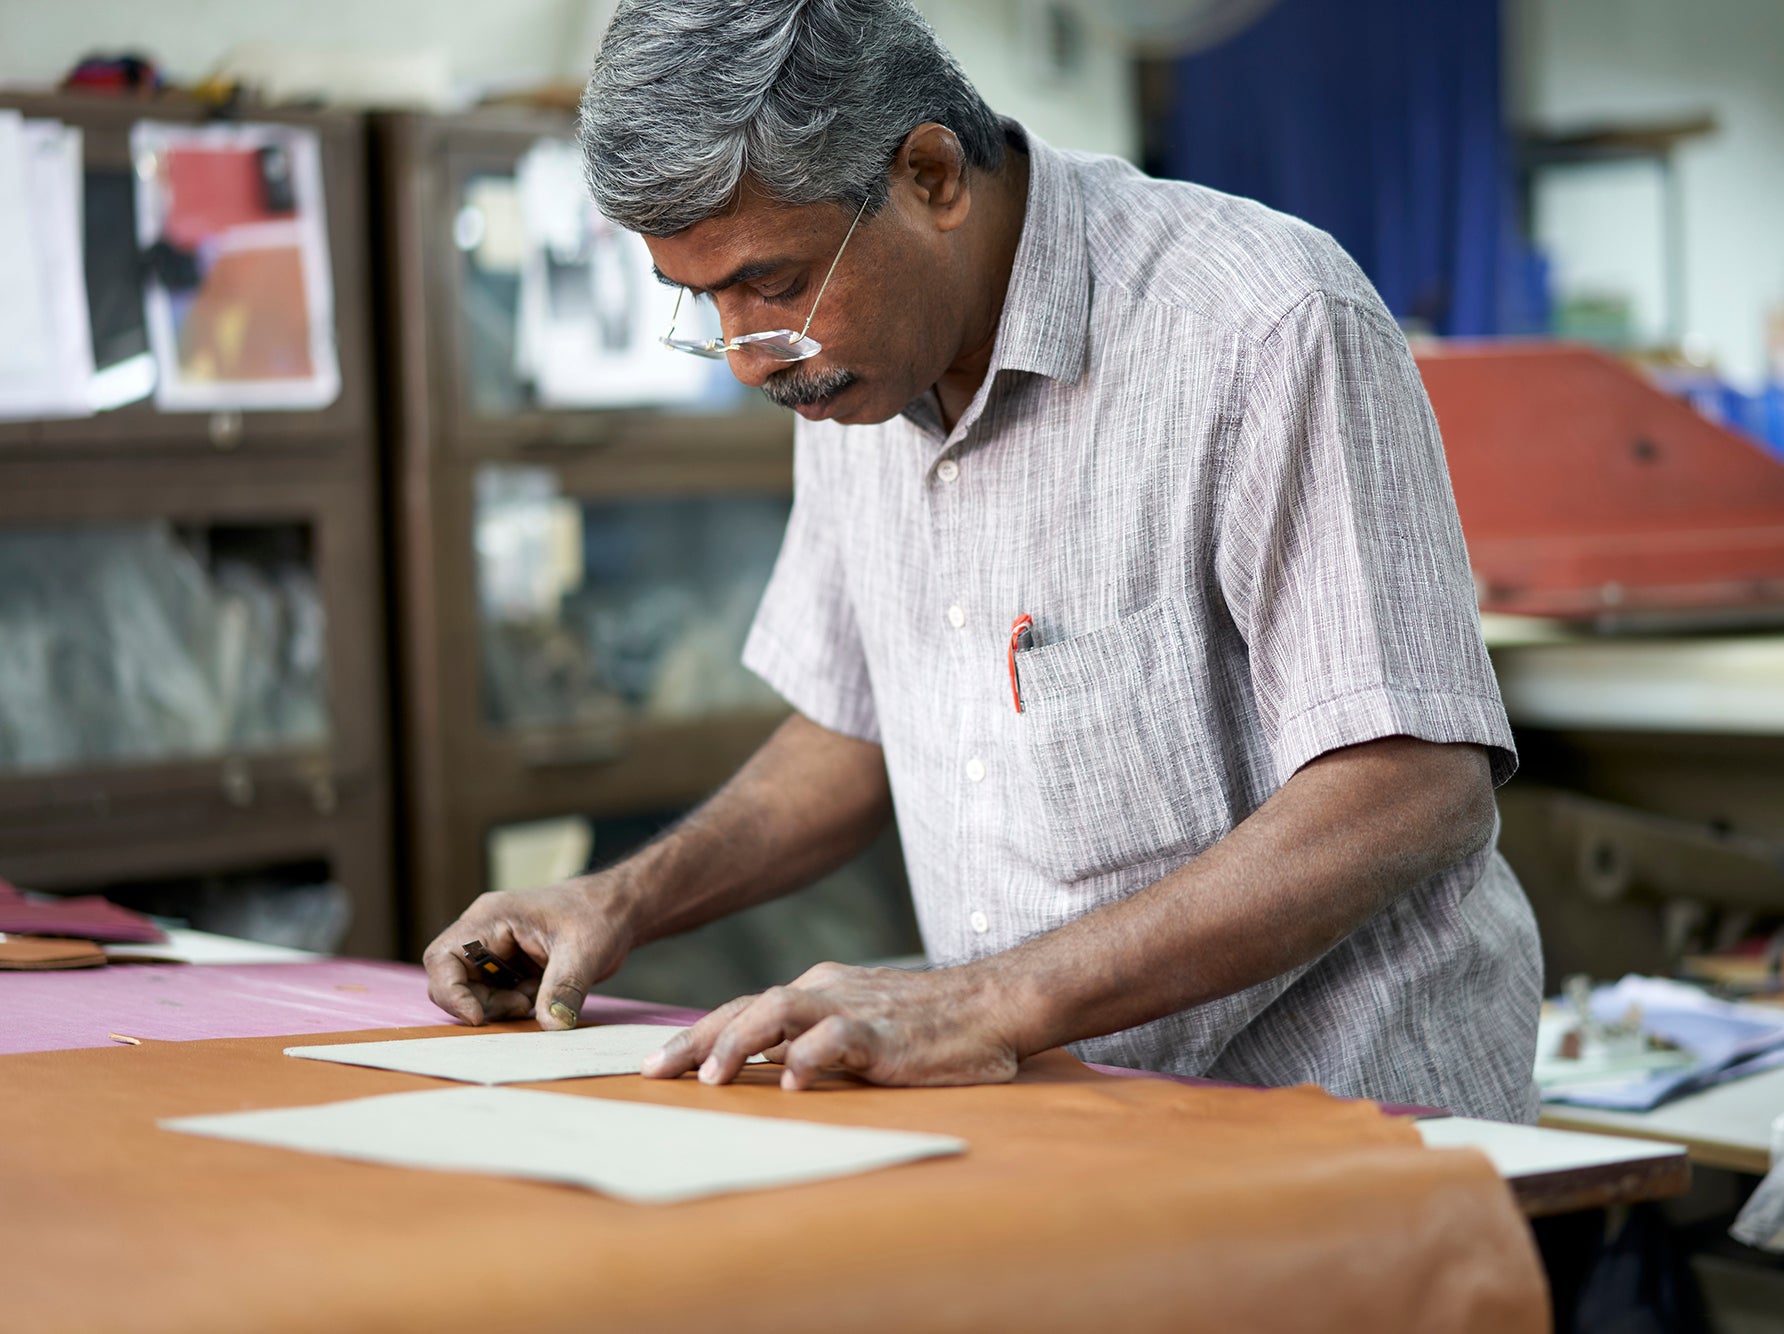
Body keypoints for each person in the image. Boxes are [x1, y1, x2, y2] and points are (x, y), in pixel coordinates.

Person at [424, 0, 1543, 1122]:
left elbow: (1407, 786)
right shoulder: (854, 380)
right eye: (701, 300)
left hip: (1347, 1138)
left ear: (930, 174)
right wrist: (615, 901)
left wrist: (991, 1000)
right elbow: (851, 728)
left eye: (770, 283)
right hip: (1060, 1131)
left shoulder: (1260, 323)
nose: (744, 359)